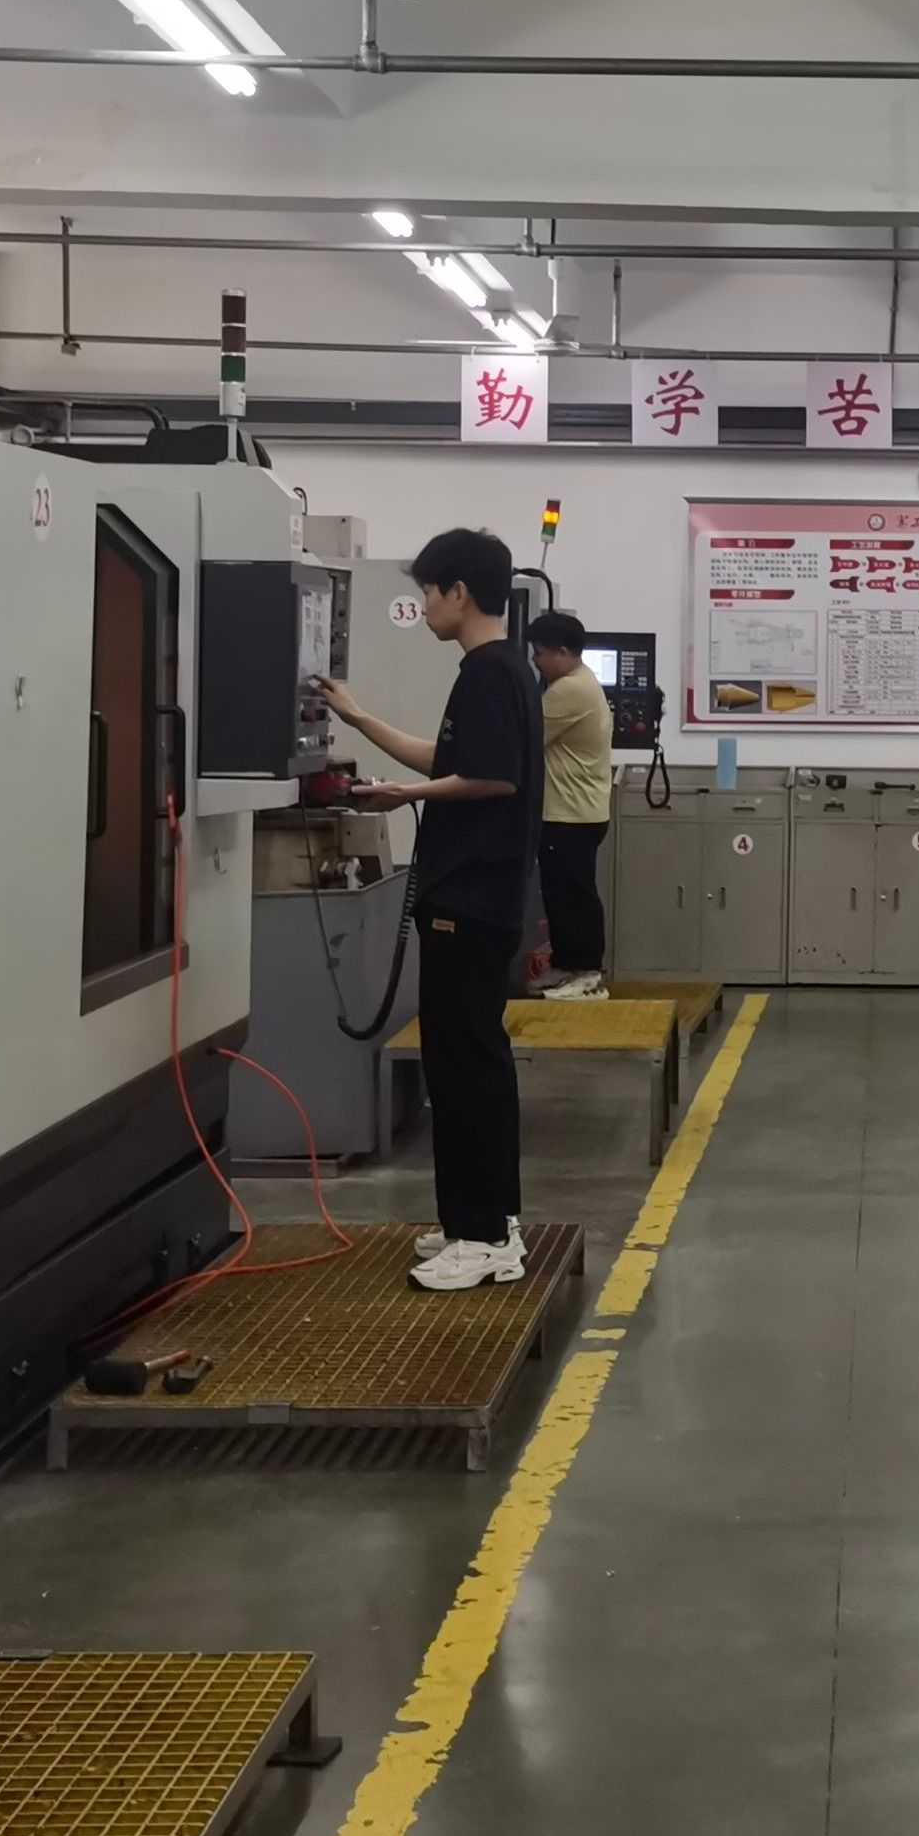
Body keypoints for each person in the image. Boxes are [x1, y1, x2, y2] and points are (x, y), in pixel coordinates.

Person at [319, 528, 543, 1292]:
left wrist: (403, 796)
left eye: (428, 592)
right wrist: (359, 719)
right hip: (477, 899)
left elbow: (493, 778)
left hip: (470, 900)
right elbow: (453, 761)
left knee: (464, 1068)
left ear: (459, 593)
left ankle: (483, 1237)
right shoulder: (502, 670)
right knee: (468, 1063)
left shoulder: (490, 673)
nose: (424, 607)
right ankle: (484, 1219)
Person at [523, 611, 614, 1001]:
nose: (535, 661)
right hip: (574, 812)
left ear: (563, 652)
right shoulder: (580, 681)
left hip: (571, 814)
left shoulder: (569, 690)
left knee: (574, 897)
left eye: (539, 653)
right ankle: (565, 966)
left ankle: (587, 973)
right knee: (561, 895)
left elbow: (523, 736)